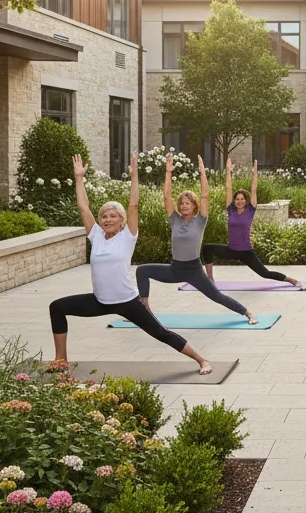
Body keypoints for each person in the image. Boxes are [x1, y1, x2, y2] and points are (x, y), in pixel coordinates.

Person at [48, 154, 212, 374]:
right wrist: (79, 178)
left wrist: (135, 175)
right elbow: (83, 207)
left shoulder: (127, 237)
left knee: (161, 333)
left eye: (113, 216)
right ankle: (61, 360)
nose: (107, 219)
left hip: (127, 301)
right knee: (57, 307)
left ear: (122, 220)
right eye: (104, 216)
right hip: (99, 300)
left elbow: (133, 205)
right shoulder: (96, 235)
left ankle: (202, 360)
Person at [135, 153, 258, 325]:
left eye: (188, 203)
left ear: (194, 206)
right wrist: (168, 173)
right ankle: (145, 307)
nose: (184, 206)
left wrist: (203, 173)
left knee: (218, 297)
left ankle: (248, 313)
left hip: (194, 270)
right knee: (142, 270)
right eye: (182, 203)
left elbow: (205, 196)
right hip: (175, 268)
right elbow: (166, 197)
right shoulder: (174, 219)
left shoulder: (200, 221)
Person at [202, 159, 301, 288]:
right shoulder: (231, 210)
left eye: (242, 199)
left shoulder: (250, 210)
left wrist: (255, 171)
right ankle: (210, 279)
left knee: (265, 273)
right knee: (207, 248)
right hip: (231, 250)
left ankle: (290, 280)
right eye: (237, 199)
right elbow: (228, 188)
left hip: (246, 252)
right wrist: (228, 171)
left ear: (245, 200)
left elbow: (254, 189)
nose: (239, 201)